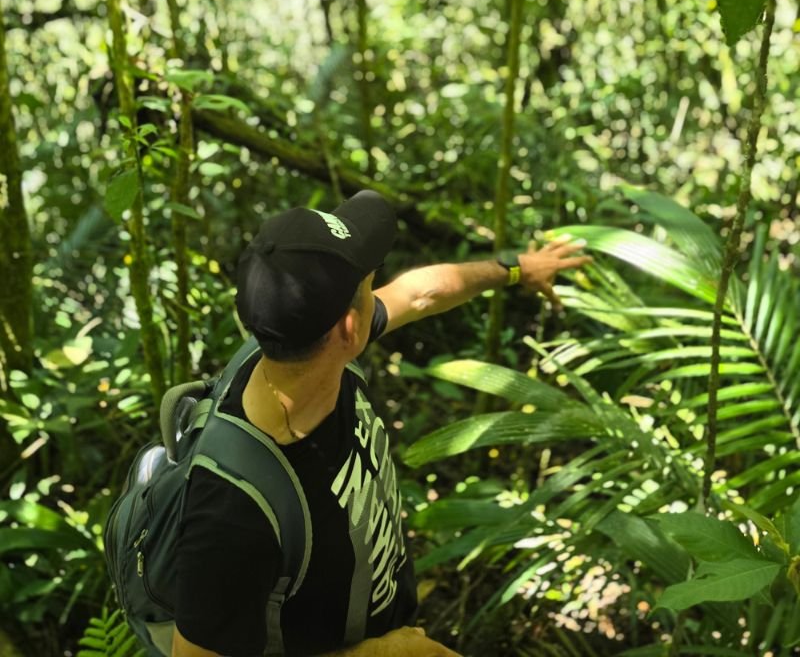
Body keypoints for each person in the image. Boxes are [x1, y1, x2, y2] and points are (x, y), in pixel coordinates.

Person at [171, 190, 589, 657]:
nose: (381, 292)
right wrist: (382, 653)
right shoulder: (233, 513)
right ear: (349, 329)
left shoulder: (298, 349)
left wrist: (515, 268)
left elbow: (421, 293)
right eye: (370, 284)